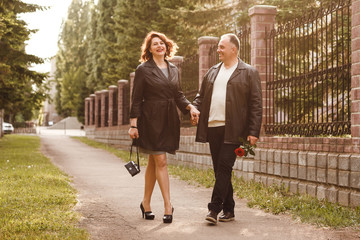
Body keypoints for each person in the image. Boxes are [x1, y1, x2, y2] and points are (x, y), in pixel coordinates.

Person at [128, 31, 199, 224]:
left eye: (162, 43)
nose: (159, 46)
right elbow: (136, 99)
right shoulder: (143, 69)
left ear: (166, 46)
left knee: (154, 161)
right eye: (155, 44)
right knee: (161, 161)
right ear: (149, 50)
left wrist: (190, 106)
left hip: (169, 119)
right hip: (150, 119)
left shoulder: (174, 69)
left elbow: (178, 95)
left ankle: (146, 203)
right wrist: (133, 124)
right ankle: (169, 206)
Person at [192, 33, 262, 224]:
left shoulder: (248, 72)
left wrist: (253, 132)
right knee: (220, 170)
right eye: (218, 47)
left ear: (234, 49)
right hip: (213, 126)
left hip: (234, 130)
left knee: (224, 166)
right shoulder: (213, 71)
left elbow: (256, 104)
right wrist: (194, 108)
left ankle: (214, 209)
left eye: (222, 47)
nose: (218, 50)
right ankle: (229, 209)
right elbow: (200, 96)